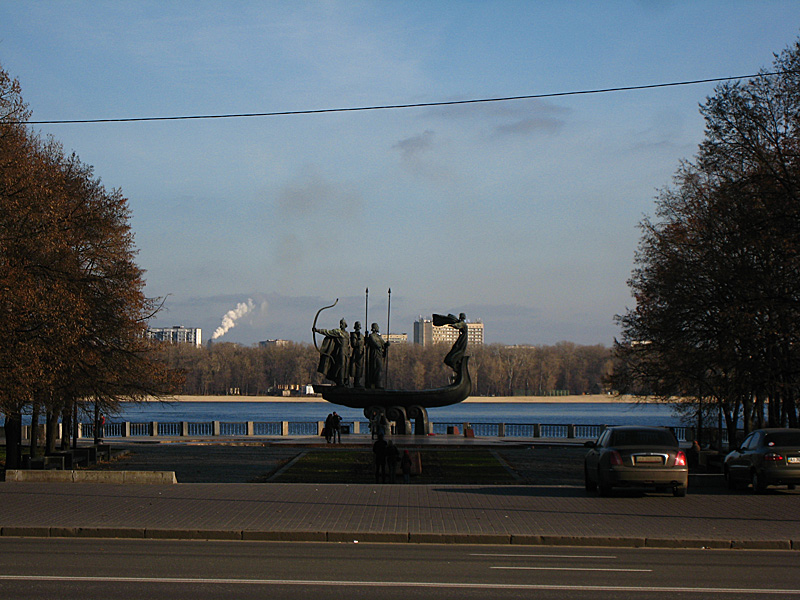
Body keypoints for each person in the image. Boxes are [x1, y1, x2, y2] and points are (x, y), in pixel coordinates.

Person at [313, 318, 351, 386]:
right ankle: (340, 381)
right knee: (341, 365)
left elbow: (348, 344)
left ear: (345, 325)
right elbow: (327, 332)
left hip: (346, 351)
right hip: (341, 350)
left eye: (343, 324)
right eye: (341, 324)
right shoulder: (337, 332)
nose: (341, 325)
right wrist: (317, 330)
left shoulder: (347, 334)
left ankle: (345, 380)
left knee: (346, 366)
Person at [365, 322, 389, 389]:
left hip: (379, 354)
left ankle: (379, 382)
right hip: (374, 354)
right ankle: (375, 382)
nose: (378, 328)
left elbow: (383, 344)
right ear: (374, 328)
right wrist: (380, 346)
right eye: (377, 326)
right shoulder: (371, 336)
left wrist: (387, 344)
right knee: (376, 368)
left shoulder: (379, 337)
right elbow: (376, 344)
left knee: (379, 368)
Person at [349, 321, 365, 388]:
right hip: (356, 353)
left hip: (361, 353)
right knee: (356, 368)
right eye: (357, 326)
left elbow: (364, 343)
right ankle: (356, 382)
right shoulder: (354, 335)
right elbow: (354, 344)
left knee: (360, 368)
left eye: (359, 326)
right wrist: (358, 340)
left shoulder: (361, 335)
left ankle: (358, 381)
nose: (358, 327)